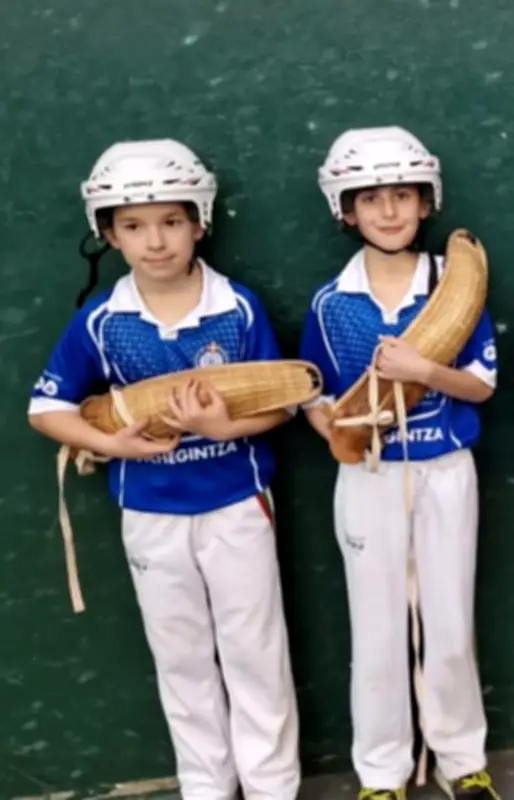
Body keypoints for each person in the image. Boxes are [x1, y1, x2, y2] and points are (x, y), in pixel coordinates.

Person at [28, 138, 300, 800]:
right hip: (150, 511)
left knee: (256, 655)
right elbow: (47, 408)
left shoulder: (237, 308)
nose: (155, 241)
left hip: (238, 503)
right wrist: (118, 445)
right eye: (133, 225)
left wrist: (223, 426)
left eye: (171, 221)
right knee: (181, 662)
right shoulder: (100, 320)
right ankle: (207, 788)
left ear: (200, 222)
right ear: (109, 234)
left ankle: (272, 789)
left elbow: (283, 401)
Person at [299, 126, 499, 800]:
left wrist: (424, 370)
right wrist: (333, 425)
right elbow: (316, 397)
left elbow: (482, 385)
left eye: (403, 195)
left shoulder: (456, 286)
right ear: (345, 210)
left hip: (445, 470)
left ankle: (462, 761)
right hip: (369, 479)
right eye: (371, 197)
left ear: (425, 201)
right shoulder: (332, 303)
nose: (388, 211)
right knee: (377, 629)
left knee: (449, 623)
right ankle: (380, 774)